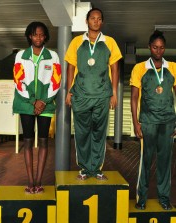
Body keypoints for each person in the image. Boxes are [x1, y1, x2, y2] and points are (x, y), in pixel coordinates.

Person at [65, 8, 122, 180]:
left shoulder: (110, 42)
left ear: (102, 22)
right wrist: (69, 91)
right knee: (82, 133)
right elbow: (70, 67)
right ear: (87, 21)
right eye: (92, 18)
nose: (95, 21)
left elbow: (115, 67)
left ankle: (96, 168)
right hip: (81, 95)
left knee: (98, 133)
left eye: (98, 19)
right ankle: (84, 168)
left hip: (102, 96)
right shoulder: (76, 42)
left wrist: (114, 93)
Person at [13, 21, 61, 194]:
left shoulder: (53, 56)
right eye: (35, 34)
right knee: (27, 141)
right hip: (26, 104)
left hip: (46, 105)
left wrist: (44, 101)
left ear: (45, 36)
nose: (38, 37)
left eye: (41, 34)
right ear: (29, 36)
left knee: (43, 141)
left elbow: (56, 80)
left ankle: (39, 182)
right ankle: (30, 181)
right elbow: (19, 80)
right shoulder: (20, 55)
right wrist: (34, 101)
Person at [130, 30, 176, 210]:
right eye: (155, 47)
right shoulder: (139, 68)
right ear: (149, 47)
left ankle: (164, 198)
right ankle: (141, 198)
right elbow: (134, 98)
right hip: (147, 122)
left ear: (165, 49)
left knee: (165, 162)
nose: (158, 51)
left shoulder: (173, 67)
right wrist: (136, 123)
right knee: (145, 162)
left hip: (168, 123)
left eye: (162, 48)